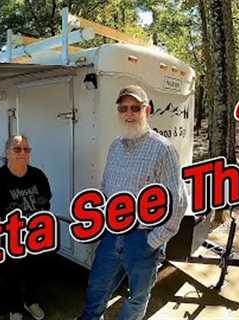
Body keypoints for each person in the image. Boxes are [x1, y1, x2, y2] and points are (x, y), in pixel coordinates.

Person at [76, 85, 188, 320]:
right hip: (111, 234)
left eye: (135, 108)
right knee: (96, 291)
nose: (129, 114)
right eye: (123, 108)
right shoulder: (115, 146)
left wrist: (153, 241)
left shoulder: (163, 149)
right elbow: (105, 188)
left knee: (136, 298)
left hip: (142, 238)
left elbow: (177, 201)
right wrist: (101, 226)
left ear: (146, 110)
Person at [0, 135, 52, 320]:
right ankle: (14, 307)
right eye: (17, 149)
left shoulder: (38, 175)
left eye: (26, 149)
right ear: (7, 152)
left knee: (35, 272)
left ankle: (31, 302)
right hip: (9, 239)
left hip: (34, 237)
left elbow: (46, 200)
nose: (22, 153)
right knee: (11, 275)